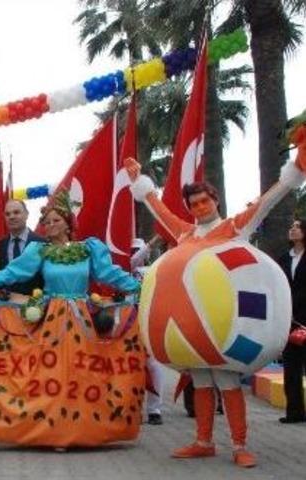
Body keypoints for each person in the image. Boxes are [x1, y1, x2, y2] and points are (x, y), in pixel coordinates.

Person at [124, 130, 306, 468]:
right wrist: (142, 186)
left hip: (227, 327)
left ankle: (239, 445)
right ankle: (203, 440)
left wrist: (294, 171)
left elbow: (266, 202)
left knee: (226, 379)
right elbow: (159, 208)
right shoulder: (185, 232)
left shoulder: (234, 228)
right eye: (194, 204)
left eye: (204, 201)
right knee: (202, 380)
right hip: (193, 327)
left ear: (215, 200)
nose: (199, 208)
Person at [0, 199, 142, 448]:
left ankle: (84, 429)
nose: (50, 225)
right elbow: (14, 272)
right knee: (53, 374)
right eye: (47, 221)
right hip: (52, 318)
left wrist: (137, 287)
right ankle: (55, 431)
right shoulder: (38, 251)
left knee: (83, 373)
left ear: (68, 224)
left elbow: (108, 274)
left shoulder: (88, 249)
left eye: (56, 221)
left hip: (83, 317)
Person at [130, 238, 164, 426]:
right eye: (132, 251)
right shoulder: (122, 269)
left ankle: (154, 409)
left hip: (148, 323)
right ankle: (133, 408)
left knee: (154, 365)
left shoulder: (151, 271)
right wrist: (150, 244)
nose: (135, 254)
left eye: (137, 251)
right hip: (126, 323)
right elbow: (131, 261)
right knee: (131, 367)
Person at [277, 219, 306, 424]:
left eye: (297, 227)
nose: (292, 229)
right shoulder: (283, 258)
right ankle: (294, 412)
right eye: (291, 227)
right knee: (291, 368)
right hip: (290, 320)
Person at [0, 199, 45, 294]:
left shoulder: (42, 243)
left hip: (34, 304)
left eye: (16, 212)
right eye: (7, 214)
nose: (11, 217)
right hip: (5, 305)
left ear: (26, 214)